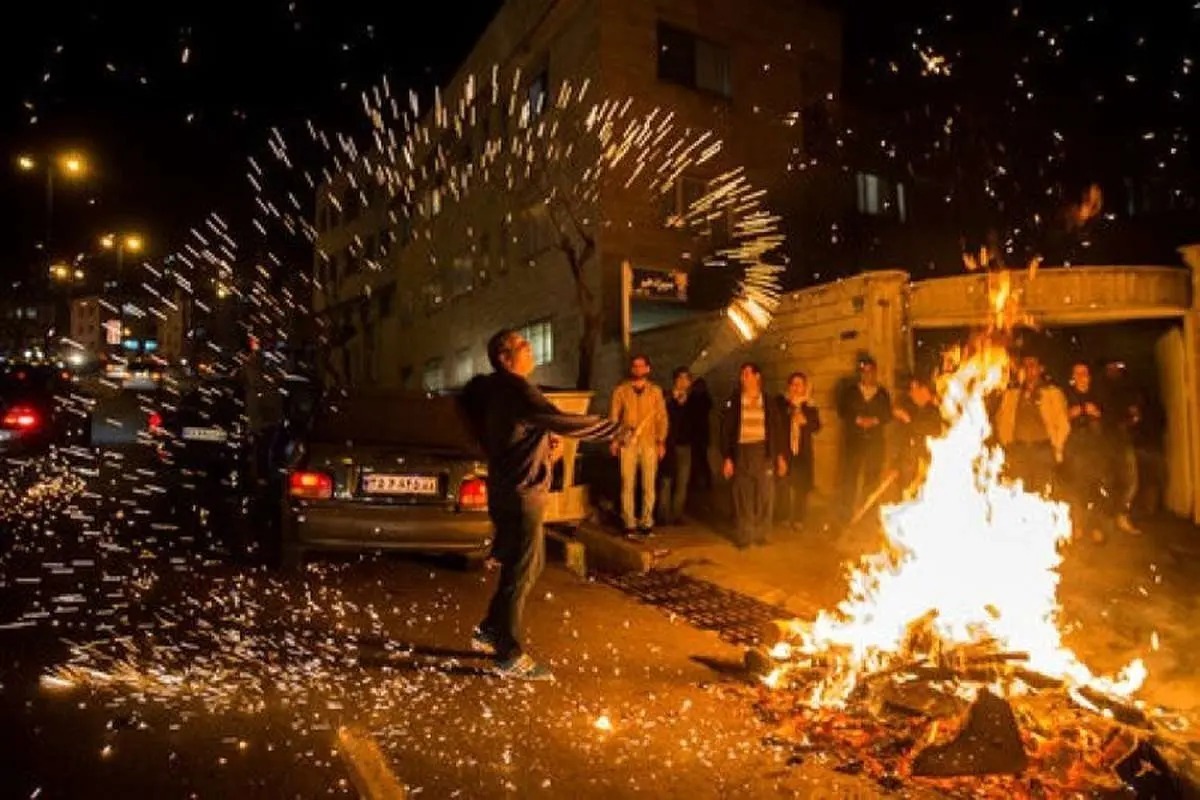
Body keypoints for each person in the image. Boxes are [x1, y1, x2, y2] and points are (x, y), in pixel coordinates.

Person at [460, 329, 627, 680]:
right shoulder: (518, 390)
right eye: (523, 345)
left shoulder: (498, 391)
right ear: (506, 358)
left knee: (527, 565)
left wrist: (540, 442)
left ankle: (491, 628)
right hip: (522, 494)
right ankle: (508, 652)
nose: (530, 348)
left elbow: (519, 432)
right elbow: (562, 420)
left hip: (508, 489)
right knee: (521, 570)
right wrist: (614, 431)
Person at [720, 363, 787, 548]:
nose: (743, 378)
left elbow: (777, 429)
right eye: (742, 374)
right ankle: (745, 535)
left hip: (763, 452)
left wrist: (780, 457)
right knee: (743, 496)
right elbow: (726, 430)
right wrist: (727, 458)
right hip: (741, 452)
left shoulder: (768, 401)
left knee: (766, 495)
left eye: (747, 374)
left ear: (757, 377)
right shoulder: (734, 401)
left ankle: (762, 534)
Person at [994, 353, 1070, 497]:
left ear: (1041, 369)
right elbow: (1001, 419)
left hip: (1043, 451)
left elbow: (1063, 424)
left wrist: (1057, 447)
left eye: (1032, 365)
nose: (1028, 369)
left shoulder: (1052, 393)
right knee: (1016, 494)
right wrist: (1006, 444)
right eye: (1025, 366)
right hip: (1018, 451)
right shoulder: (1012, 394)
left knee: (1043, 494)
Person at [609, 355, 668, 536]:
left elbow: (662, 418)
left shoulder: (655, 392)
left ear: (648, 369)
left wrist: (661, 441)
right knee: (627, 484)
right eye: (635, 366)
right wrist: (614, 440)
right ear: (631, 369)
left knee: (649, 485)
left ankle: (646, 523)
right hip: (627, 443)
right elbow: (614, 417)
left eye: (642, 366)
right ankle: (629, 523)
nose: (638, 369)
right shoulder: (621, 391)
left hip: (649, 442)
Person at [837, 357, 892, 514]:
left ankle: (867, 511)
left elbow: (887, 414)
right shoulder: (851, 392)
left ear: (875, 373)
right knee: (849, 476)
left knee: (872, 476)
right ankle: (846, 511)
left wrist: (875, 420)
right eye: (864, 371)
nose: (867, 374)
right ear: (860, 373)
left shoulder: (882, 394)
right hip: (854, 441)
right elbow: (842, 411)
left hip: (875, 442)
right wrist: (857, 419)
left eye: (870, 371)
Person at [1063, 362, 1108, 539]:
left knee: (1095, 487)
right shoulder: (1068, 395)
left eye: (1084, 373)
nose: (1081, 377)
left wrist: (1092, 413)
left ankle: (1096, 527)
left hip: (1095, 447)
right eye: (1077, 374)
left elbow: (1104, 414)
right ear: (1073, 378)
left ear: (1089, 376)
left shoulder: (1098, 394)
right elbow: (1065, 415)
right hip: (1076, 447)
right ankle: (1078, 527)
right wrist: (1083, 410)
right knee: (1076, 489)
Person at [1097, 360, 1141, 534]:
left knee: (1130, 480)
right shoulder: (1100, 390)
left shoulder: (1127, 390)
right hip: (1105, 442)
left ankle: (1121, 515)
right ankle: (1107, 519)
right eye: (1111, 367)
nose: (1115, 370)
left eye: (1118, 367)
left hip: (1123, 440)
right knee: (1107, 481)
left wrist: (1132, 419)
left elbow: (1134, 413)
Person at [776, 371, 821, 530]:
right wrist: (779, 455)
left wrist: (804, 420)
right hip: (786, 450)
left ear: (804, 387)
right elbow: (777, 428)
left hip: (803, 452)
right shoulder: (781, 404)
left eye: (799, 385)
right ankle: (784, 516)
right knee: (784, 485)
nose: (796, 388)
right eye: (793, 384)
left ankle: (798, 518)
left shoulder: (810, 406)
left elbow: (816, 427)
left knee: (802, 486)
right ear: (789, 386)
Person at [659, 367, 699, 526]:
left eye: (686, 379)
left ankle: (676, 515)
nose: (683, 382)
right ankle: (663, 516)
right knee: (666, 481)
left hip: (685, 445)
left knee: (682, 482)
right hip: (668, 445)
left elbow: (696, 421)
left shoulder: (694, 400)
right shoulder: (666, 399)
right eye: (680, 378)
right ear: (675, 380)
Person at [891, 375, 942, 499]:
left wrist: (908, 420)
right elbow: (903, 437)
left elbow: (931, 431)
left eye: (914, 389)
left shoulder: (934, 412)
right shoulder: (913, 409)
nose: (911, 393)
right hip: (907, 466)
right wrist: (896, 462)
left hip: (923, 469)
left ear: (924, 390)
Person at [689, 377, 714, 493]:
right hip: (698, 433)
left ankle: (699, 480)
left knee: (699, 458)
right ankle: (703, 479)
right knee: (700, 458)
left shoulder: (695, 399)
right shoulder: (703, 399)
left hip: (697, 433)